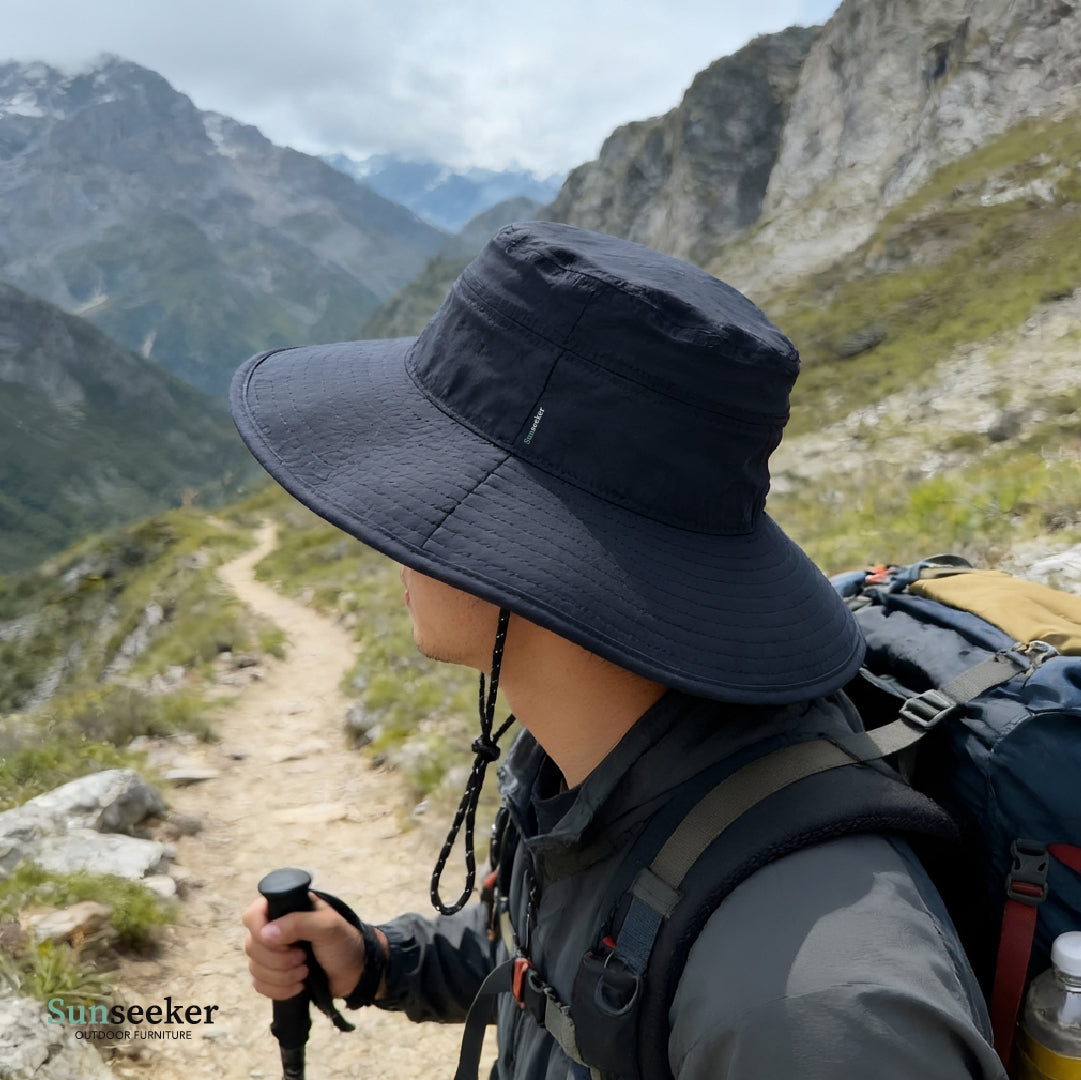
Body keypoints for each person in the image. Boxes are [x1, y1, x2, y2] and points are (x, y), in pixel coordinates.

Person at [231, 221, 1007, 1079]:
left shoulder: (811, 1013)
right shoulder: (617, 753)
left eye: (430, 483)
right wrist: (378, 958)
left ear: (532, 555)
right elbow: (577, 953)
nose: (391, 537)